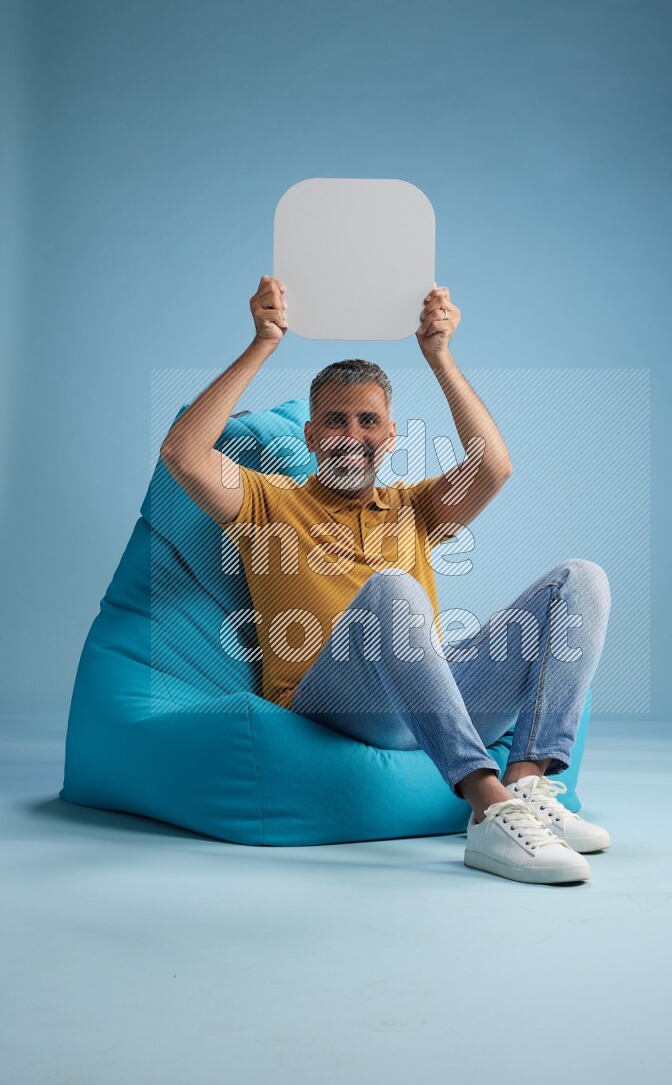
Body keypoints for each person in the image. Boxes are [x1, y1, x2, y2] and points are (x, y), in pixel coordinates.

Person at [160, 275, 612, 885]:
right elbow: (184, 455)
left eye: (368, 421)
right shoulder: (269, 501)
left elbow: (494, 467)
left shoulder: (416, 506)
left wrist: (440, 355)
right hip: (333, 704)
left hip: (429, 699)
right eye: (336, 422)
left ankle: (527, 785)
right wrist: (262, 343)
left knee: (580, 580)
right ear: (312, 435)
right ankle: (488, 810)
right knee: (395, 590)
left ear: (391, 434)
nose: (352, 436)